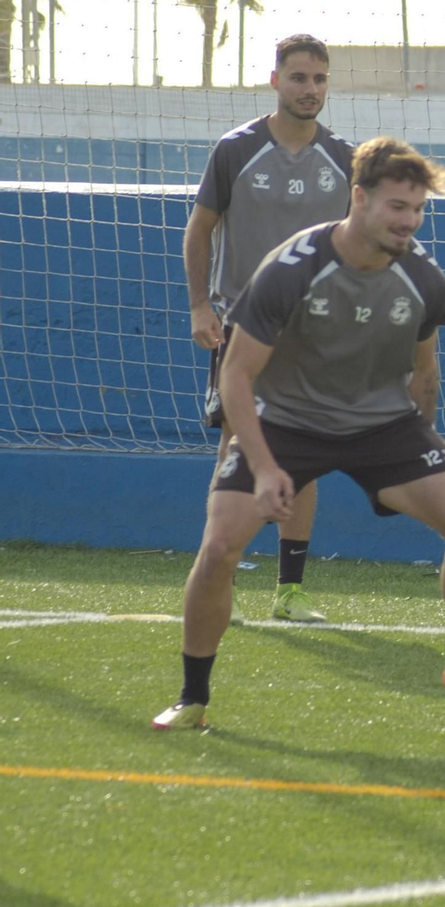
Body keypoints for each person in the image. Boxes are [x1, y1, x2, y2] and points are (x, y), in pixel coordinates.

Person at [153, 138, 445, 730]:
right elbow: (236, 374)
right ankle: (192, 696)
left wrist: (421, 450)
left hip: (384, 426)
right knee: (221, 544)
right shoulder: (291, 268)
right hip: (285, 424)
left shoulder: (425, 278)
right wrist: (267, 465)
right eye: (396, 207)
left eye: (417, 209)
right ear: (359, 198)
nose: (408, 221)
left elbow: (424, 372)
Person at [183, 34, 354, 625]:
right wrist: (201, 306)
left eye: (320, 79)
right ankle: (218, 573)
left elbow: (356, 248)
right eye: (300, 78)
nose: (311, 90)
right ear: (275, 80)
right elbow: (200, 230)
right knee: (235, 449)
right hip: (240, 328)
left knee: (301, 454)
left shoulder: (345, 159)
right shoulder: (236, 150)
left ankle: (289, 590)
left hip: (313, 333)